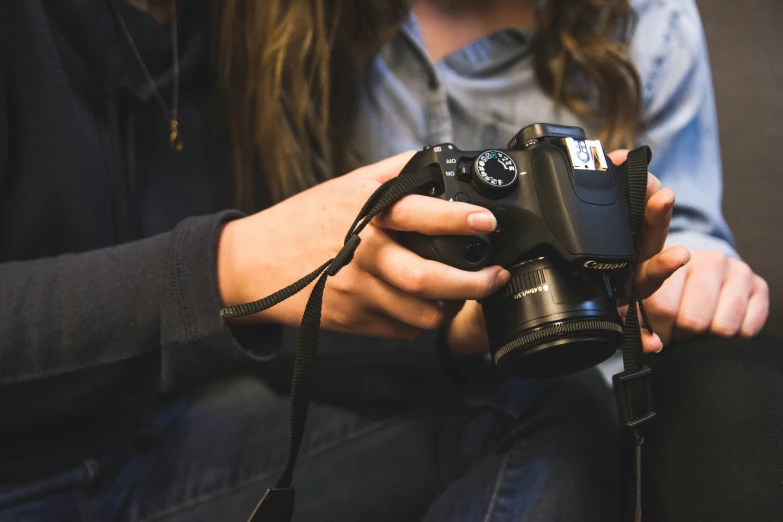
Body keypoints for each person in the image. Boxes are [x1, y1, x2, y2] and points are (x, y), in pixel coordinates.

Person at [0, 3, 777, 522]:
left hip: (163, 438)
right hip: (34, 463)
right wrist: (223, 266)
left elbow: (267, 335)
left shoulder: (233, 24)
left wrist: (456, 338)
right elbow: (232, 293)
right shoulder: (293, 33)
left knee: (548, 399)